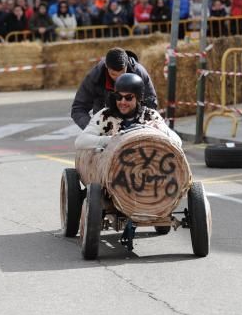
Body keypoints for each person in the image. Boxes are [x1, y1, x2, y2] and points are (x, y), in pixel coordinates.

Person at [74, 73, 181, 250]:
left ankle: (155, 204)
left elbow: (177, 141)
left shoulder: (150, 116)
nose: (122, 102)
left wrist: (160, 134)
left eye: (128, 98)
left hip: (149, 175)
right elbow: (81, 141)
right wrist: (108, 141)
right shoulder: (105, 116)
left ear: (138, 98)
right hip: (114, 176)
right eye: (118, 97)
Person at [71, 47, 157, 130]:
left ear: (127, 65)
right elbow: (78, 108)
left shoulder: (139, 73)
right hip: (105, 125)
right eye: (113, 74)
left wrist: (143, 125)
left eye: (122, 73)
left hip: (135, 124)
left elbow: (151, 102)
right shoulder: (95, 77)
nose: (119, 79)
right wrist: (94, 129)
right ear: (106, 67)